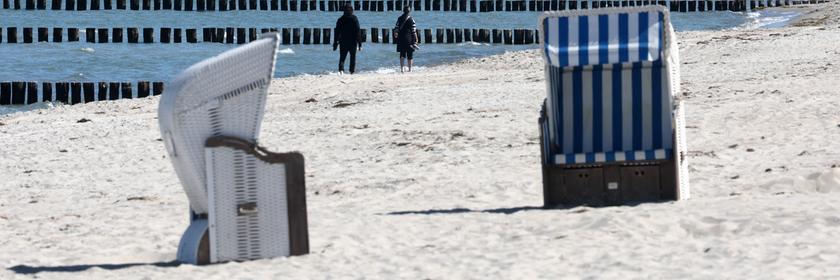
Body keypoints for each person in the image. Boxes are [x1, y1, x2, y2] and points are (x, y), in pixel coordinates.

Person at [334, 4, 362, 74]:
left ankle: (341, 70)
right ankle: (351, 71)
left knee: (342, 57)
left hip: (343, 41)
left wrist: (335, 43)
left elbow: (337, 32)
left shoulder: (340, 19)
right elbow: (358, 31)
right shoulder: (354, 18)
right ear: (352, 10)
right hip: (353, 41)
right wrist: (360, 43)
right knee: (353, 57)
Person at [394, 6, 419, 73]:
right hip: (409, 39)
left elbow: (396, 28)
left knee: (402, 54)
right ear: (409, 11)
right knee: (410, 54)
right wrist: (416, 38)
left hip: (401, 38)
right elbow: (414, 31)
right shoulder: (411, 19)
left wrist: (396, 34)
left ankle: (402, 69)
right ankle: (410, 69)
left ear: (403, 11)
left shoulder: (399, 18)